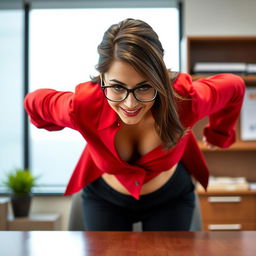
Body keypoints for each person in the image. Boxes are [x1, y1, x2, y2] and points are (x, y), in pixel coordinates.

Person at [24, 18, 245, 231]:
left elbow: (235, 86)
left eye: (144, 87)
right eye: (118, 87)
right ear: (102, 78)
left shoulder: (185, 99)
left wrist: (219, 134)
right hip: (105, 198)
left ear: (159, 79)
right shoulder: (82, 107)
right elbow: (33, 102)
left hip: (170, 198)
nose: (130, 104)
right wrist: (52, 124)